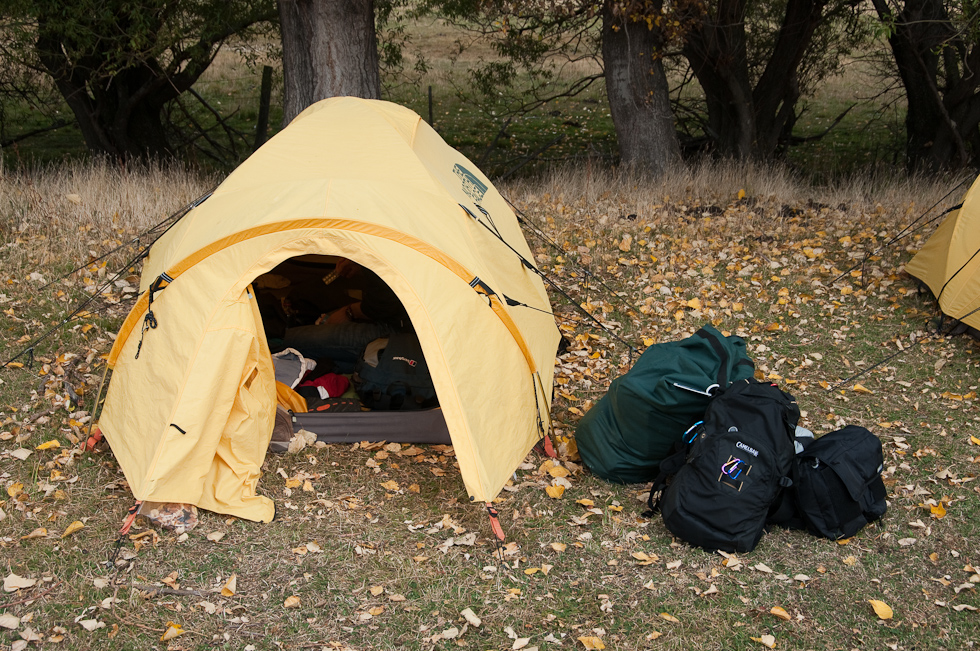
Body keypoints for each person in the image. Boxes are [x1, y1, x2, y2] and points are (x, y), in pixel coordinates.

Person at [280, 258, 407, 373]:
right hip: (395, 319)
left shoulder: (384, 247)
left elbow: (382, 305)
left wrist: (348, 312)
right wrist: (361, 261)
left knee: (291, 341)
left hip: (400, 331)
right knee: (333, 359)